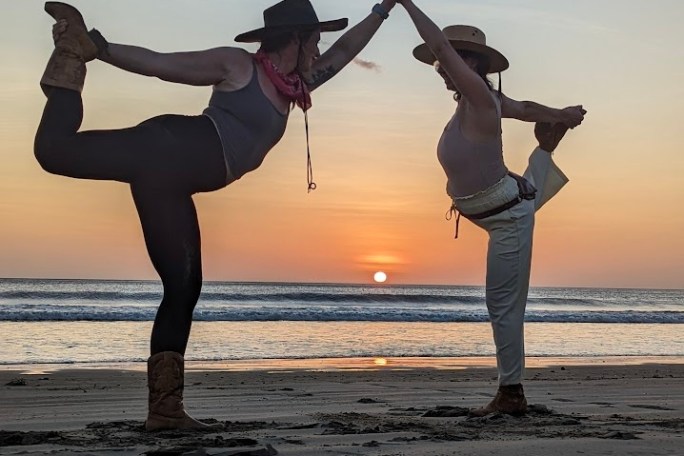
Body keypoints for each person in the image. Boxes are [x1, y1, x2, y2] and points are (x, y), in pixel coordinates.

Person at [34, 0, 398, 431]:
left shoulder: (297, 82)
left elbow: (347, 50)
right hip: (167, 146)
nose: (321, 50)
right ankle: (75, 50)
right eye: (316, 40)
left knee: (184, 285)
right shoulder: (239, 65)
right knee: (54, 152)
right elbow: (159, 64)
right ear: (297, 38)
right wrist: (100, 47)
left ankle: (164, 411)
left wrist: (383, 9)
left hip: (169, 181)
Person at [395, 0, 586, 416]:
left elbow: (440, 48)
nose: (440, 68)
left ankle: (511, 394)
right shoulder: (477, 102)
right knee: (525, 191)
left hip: (507, 218)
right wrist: (560, 115)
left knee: (502, 305)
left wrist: (406, 4)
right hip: (498, 208)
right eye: (439, 64)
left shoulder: (479, 94)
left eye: (447, 61)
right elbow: (524, 109)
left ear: (469, 62)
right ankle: (544, 154)